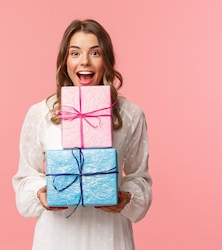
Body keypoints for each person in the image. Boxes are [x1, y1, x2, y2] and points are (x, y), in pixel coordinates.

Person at [12, 19, 152, 250]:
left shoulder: (130, 114)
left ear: (106, 59)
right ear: (65, 60)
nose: (84, 61)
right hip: (57, 235)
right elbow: (25, 175)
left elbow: (140, 177)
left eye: (95, 52)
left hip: (109, 233)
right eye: (75, 53)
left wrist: (126, 197)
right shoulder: (41, 112)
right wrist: (40, 193)